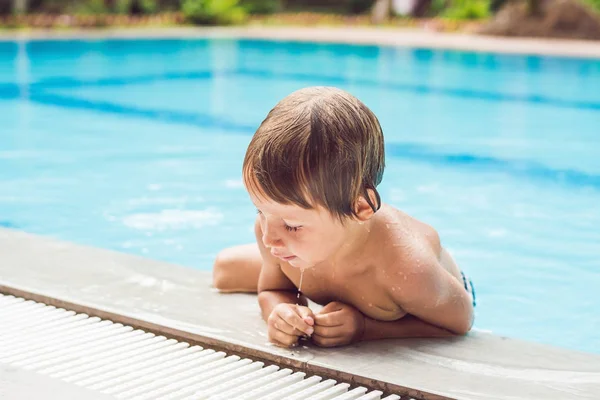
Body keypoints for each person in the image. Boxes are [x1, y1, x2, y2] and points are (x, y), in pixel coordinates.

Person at [212, 86, 475, 348]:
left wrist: (364, 328)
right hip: (328, 256)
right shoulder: (270, 231)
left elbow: (460, 323)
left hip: (441, 291)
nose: (269, 238)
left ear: (360, 207)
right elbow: (272, 290)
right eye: (261, 212)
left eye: (292, 226)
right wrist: (281, 313)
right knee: (224, 269)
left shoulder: (405, 268)